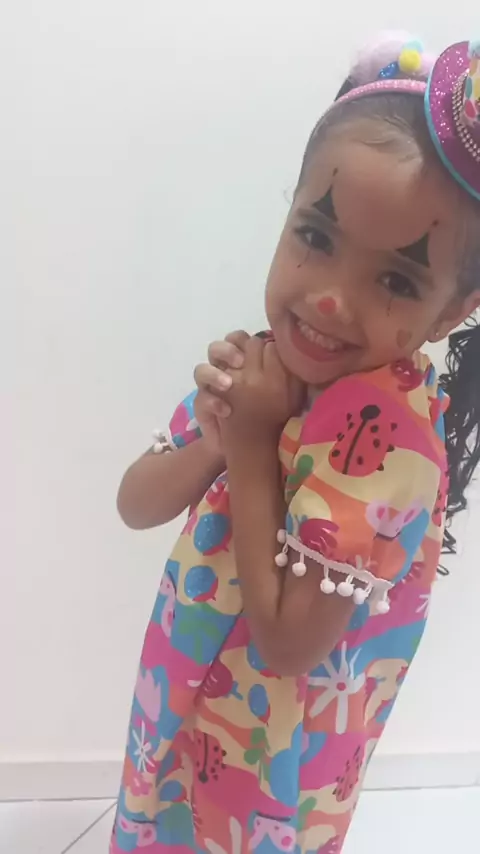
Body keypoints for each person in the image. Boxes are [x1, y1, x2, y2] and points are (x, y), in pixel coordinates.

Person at [111, 33, 480, 854]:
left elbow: (286, 644)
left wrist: (249, 445)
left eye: (396, 280)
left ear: (454, 313)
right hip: (182, 701)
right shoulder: (264, 367)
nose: (331, 299)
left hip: (271, 772)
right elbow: (135, 502)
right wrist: (218, 434)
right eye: (316, 236)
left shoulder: (389, 448)